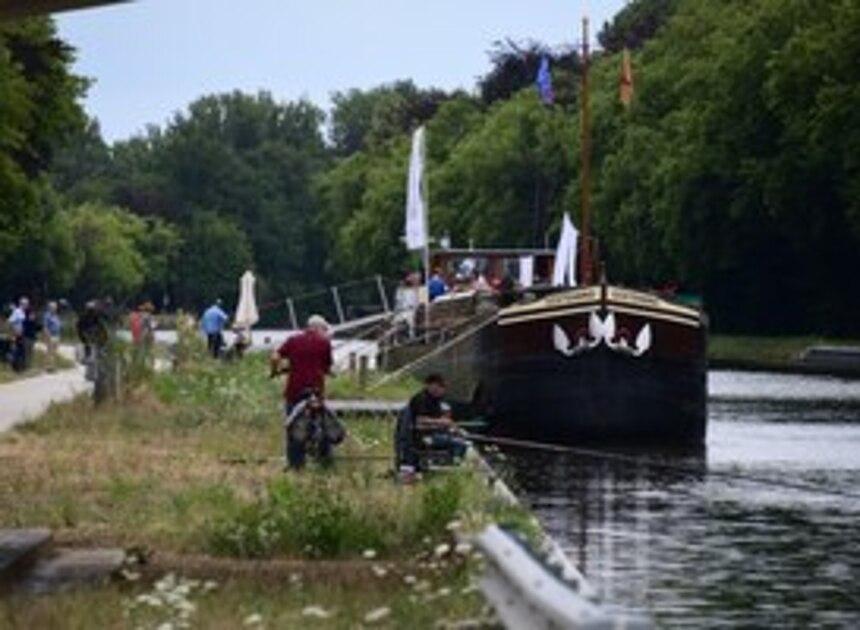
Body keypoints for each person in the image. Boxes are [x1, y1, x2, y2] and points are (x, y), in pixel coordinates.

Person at [270, 315, 336, 469]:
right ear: (318, 328)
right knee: (321, 424)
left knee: (292, 425)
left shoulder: (293, 340)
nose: (325, 332)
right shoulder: (324, 343)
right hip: (315, 391)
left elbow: (275, 357)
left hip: (294, 390)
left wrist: (275, 371)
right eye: (324, 329)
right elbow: (327, 367)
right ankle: (322, 459)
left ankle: (294, 463)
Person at [396, 374, 468, 478]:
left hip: (432, 432)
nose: (442, 390)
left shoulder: (434, 399)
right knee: (461, 444)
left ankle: (446, 465)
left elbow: (440, 418)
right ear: (432, 385)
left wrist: (451, 426)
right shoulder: (421, 399)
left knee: (460, 437)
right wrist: (441, 422)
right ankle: (449, 470)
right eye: (440, 387)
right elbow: (421, 420)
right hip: (423, 437)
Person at [7, 297, 28, 372]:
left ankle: (21, 367)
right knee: (16, 351)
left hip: (21, 334)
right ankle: (15, 368)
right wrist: (13, 332)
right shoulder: (17, 311)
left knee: (22, 351)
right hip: (16, 334)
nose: (26, 305)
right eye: (25, 304)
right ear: (21, 304)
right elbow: (10, 321)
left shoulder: (23, 312)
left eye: (27, 304)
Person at [42, 301, 62, 372]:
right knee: (49, 352)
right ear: (49, 307)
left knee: (54, 352)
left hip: (57, 335)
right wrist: (47, 336)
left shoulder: (56, 315)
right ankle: (48, 367)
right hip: (51, 335)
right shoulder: (47, 315)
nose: (54, 308)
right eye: (53, 307)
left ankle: (53, 366)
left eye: (55, 307)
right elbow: (45, 327)